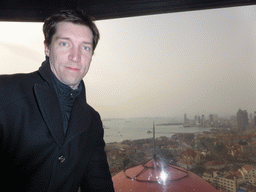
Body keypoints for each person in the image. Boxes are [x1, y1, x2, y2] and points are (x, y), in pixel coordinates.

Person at [0, 10, 114, 192]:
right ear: (47, 48)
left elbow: (99, 184)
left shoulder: (92, 120)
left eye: (85, 47)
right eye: (64, 44)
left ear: (91, 55)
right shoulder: (5, 92)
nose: (75, 57)